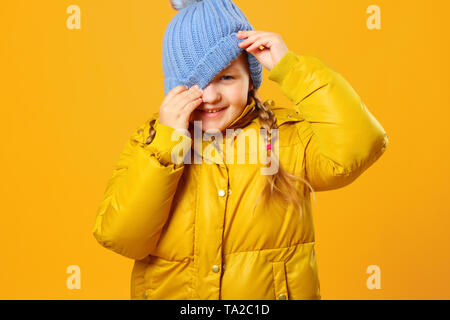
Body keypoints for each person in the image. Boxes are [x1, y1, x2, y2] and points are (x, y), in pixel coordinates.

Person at [92, 0, 389, 300]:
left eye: (226, 77)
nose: (210, 95)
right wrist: (167, 145)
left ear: (250, 81)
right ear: (173, 88)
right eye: (195, 82)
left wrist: (293, 70)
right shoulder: (151, 142)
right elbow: (123, 237)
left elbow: (360, 145)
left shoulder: (284, 139)